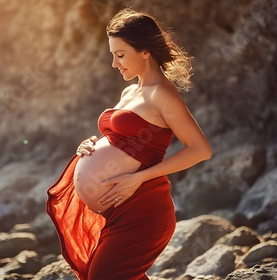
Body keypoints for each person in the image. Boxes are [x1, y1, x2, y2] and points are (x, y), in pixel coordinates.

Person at [46, 8, 212, 280]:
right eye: (112, 54)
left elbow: (201, 150)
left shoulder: (162, 94)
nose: (114, 63)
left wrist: (139, 178)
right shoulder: (130, 91)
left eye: (120, 55)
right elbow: (124, 140)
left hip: (143, 213)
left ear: (145, 51)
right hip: (116, 213)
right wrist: (90, 146)